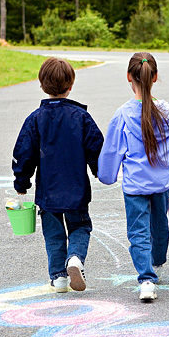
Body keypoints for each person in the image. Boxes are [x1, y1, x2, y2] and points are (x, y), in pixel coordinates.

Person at [97, 52, 169, 301]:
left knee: (138, 232)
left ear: (129, 77)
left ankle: (146, 279)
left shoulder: (123, 115)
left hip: (135, 184)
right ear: (155, 77)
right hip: (161, 183)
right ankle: (157, 261)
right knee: (160, 227)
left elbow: (113, 149)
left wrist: (107, 175)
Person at [12, 57, 104, 293]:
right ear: (70, 85)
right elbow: (96, 147)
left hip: (48, 192)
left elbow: (24, 153)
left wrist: (21, 182)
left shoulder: (35, 119)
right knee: (80, 226)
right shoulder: (81, 117)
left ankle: (59, 278)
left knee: (53, 235)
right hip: (76, 189)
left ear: (41, 85)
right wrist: (99, 171)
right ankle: (75, 258)